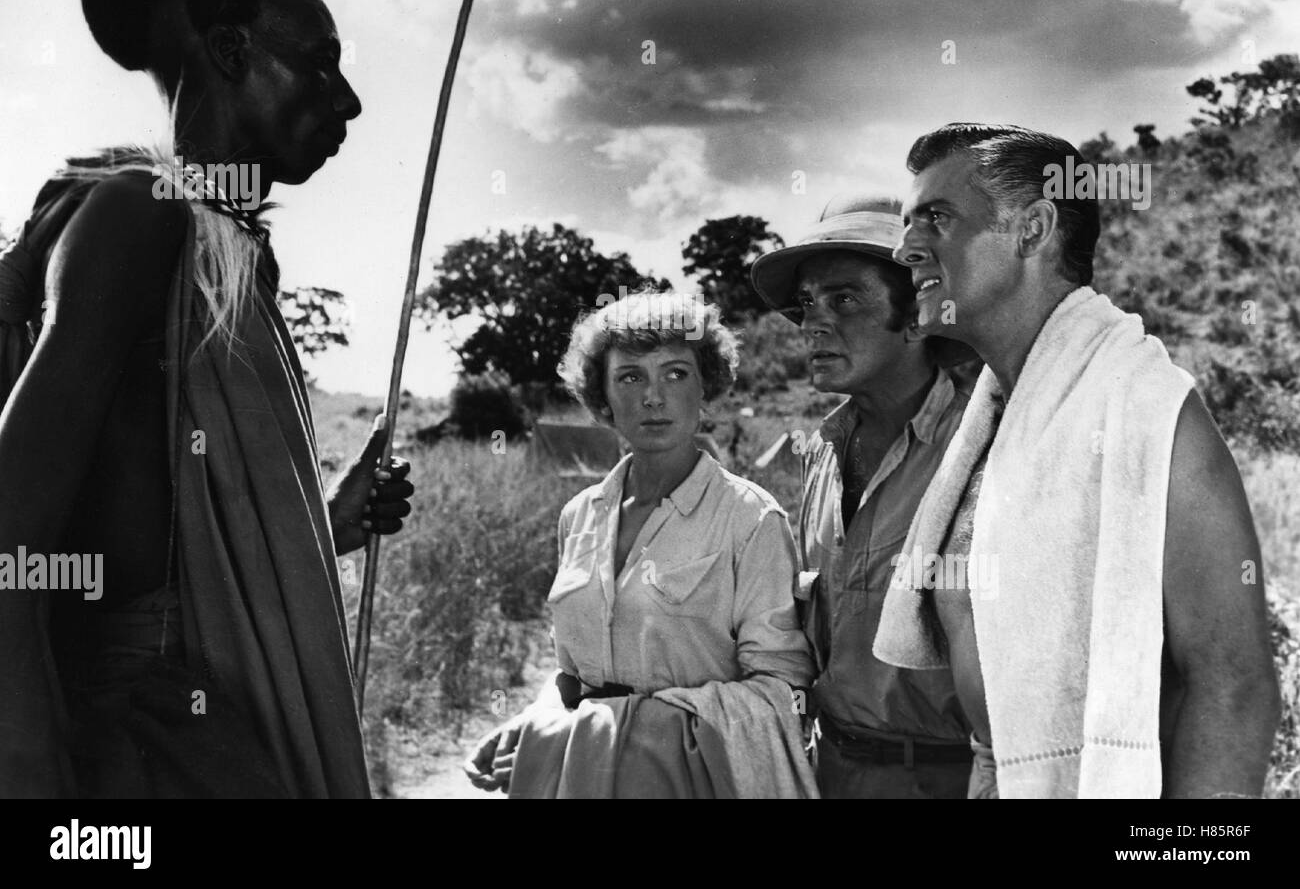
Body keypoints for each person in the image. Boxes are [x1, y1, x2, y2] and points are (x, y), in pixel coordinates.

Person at [0, 0, 414, 798]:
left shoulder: (229, 257)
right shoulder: (141, 215)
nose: (346, 100)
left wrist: (322, 527)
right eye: (319, 63)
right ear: (229, 54)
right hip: (127, 745)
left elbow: (167, 525)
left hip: (198, 723)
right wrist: (34, 775)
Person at [875, 122, 1282, 798]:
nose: (905, 247)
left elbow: (1235, 684)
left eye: (936, 219)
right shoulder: (995, 421)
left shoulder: (1147, 408)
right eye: (909, 223)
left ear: (1032, 230)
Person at [463, 290, 816, 798]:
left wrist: (618, 728)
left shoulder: (750, 519)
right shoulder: (579, 515)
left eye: (676, 374)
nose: (655, 396)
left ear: (705, 388)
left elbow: (782, 692)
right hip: (580, 779)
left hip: (690, 783)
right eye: (631, 377)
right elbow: (570, 674)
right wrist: (533, 725)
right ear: (603, 398)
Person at [749, 195, 980, 798]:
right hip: (830, 773)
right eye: (807, 304)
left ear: (917, 313)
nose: (814, 323)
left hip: (950, 779)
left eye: (845, 299)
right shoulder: (823, 453)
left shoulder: (982, 446)